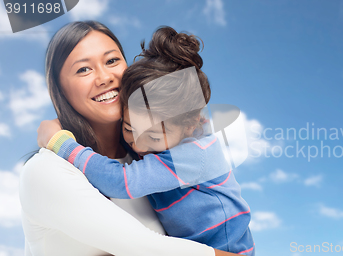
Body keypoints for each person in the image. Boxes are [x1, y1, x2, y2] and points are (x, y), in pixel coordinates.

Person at [20, 21, 241, 256]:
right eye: (83, 69)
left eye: (112, 61)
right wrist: (59, 143)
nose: (104, 77)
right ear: (59, 89)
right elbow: (147, 249)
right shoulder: (46, 171)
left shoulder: (149, 159)